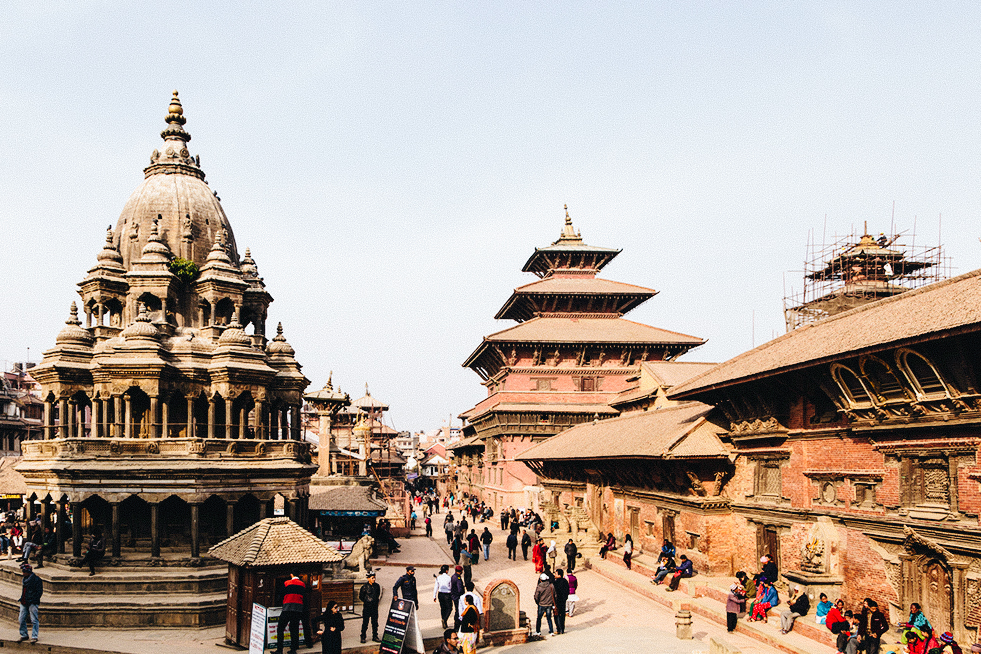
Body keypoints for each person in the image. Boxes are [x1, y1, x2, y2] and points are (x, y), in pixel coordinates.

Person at [276, 572, 306, 654]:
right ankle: (293, 649)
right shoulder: (302, 584)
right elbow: (304, 596)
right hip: (297, 609)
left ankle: (279, 649)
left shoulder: (287, 583)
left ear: (291, 574)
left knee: (280, 628)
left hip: (287, 608)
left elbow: (281, 595)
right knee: (294, 629)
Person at [18, 563, 42, 644]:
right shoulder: (25, 580)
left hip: (32, 602)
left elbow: (39, 592)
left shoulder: (37, 580)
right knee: (21, 619)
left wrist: (33, 600)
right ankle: (24, 634)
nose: (22, 573)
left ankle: (34, 636)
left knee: (34, 620)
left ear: (28, 572)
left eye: (24, 571)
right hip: (24, 601)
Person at [359, 571, 381, 643]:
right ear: (368, 578)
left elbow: (378, 594)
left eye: (374, 578)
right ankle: (363, 636)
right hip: (367, 607)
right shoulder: (364, 587)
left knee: (375, 623)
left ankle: (375, 636)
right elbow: (361, 596)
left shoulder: (377, 586)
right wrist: (367, 601)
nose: (374, 579)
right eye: (372, 578)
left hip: (374, 607)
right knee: (365, 623)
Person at [533, 572, 555, 637]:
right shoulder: (551, 586)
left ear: (540, 580)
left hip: (541, 604)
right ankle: (551, 631)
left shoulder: (539, 587)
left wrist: (538, 602)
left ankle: (538, 631)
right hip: (549, 604)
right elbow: (554, 595)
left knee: (539, 618)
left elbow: (536, 596)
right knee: (549, 618)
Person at [434, 564, 454, 630]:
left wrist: (434, 596)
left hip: (440, 594)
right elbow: (451, 587)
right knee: (449, 608)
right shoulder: (449, 578)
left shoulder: (438, 577)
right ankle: (445, 619)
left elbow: (436, 587)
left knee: (443, 608)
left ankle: (443, 620)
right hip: (447, 594)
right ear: (447, 571)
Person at [552, 569, 569, 635]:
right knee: (562, 615)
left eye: (556, 574)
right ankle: (562, 629)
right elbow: (567, 591)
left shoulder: (555, 582)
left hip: (557, 601)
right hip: (563, 601)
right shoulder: (565, 581)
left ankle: (558, 629)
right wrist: (565, 598)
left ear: (559, 575)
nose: (555, 575)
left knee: (556, 615)